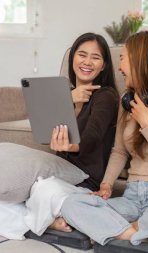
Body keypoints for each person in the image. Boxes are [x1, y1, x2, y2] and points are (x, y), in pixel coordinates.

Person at [60, 31, 148, 250]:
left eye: (123, 58)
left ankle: (120, 230)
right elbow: (119, 152)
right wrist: (106, 185)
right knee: (70, 204)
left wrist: (146, 124)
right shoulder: (127, 103)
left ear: (140, 63)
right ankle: (145, 235)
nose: (119, 66)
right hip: (133, 198)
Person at [27, 32, 119, 234]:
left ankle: (36, 218)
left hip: (84, 180)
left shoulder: (107, 96)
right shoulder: (64, 93)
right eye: (82, 55)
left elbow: (93, 136)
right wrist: (69, 98)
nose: (87, 62)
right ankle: (45, 218)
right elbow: (40, 121)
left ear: (103, 65)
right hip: (58, 174)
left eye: (95, 57)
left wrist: (70, 146)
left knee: (42, 190)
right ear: (73, 58)